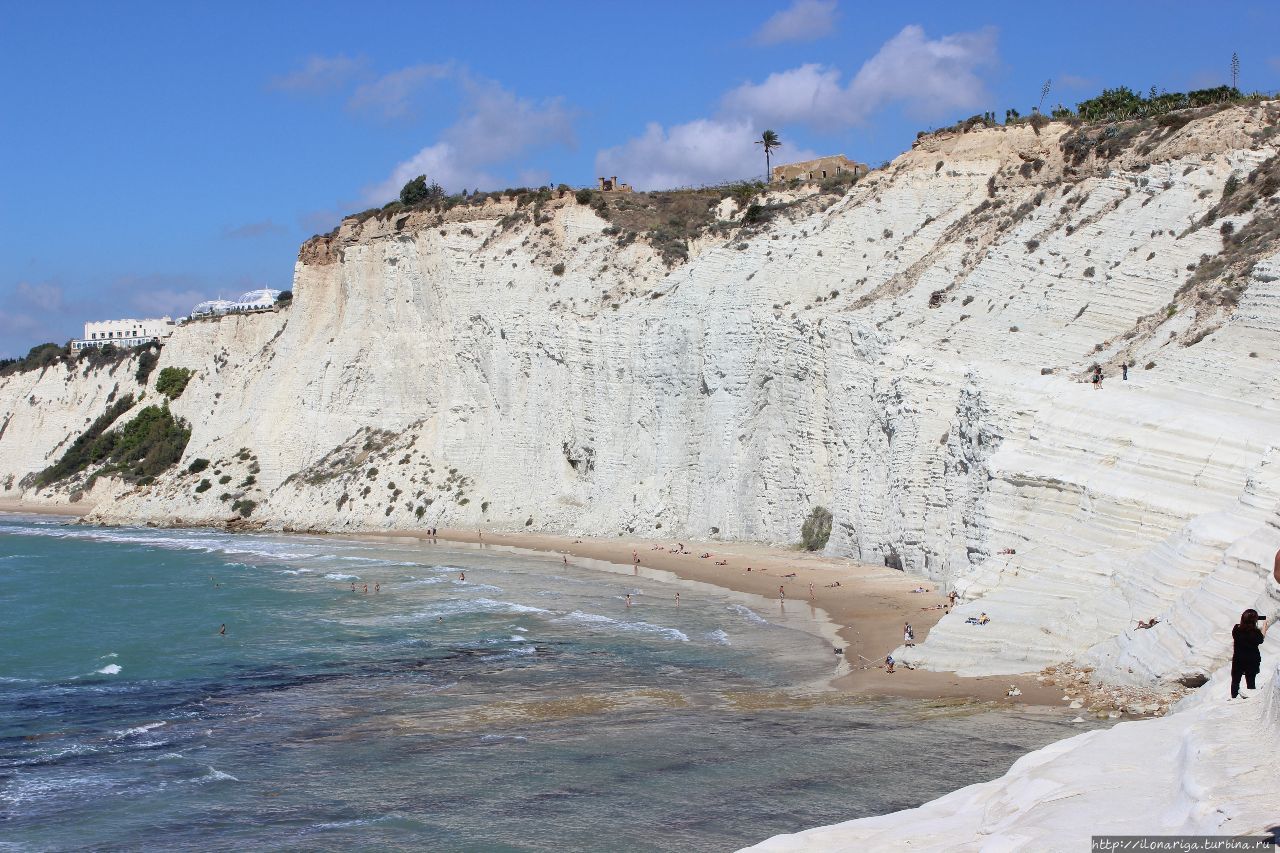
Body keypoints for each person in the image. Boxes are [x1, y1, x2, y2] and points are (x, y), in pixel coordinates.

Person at [1231, 609, 1268, 699]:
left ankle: (1234, 697)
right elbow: (1260, 640)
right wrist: (1264, 628)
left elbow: (1243, 632)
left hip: (1238, 659)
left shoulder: (1236, 629)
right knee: (1251, 681)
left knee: (1235, 681)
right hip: (1252, 660)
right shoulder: (1255, 633)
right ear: (1254, 620)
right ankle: (1250, 697)